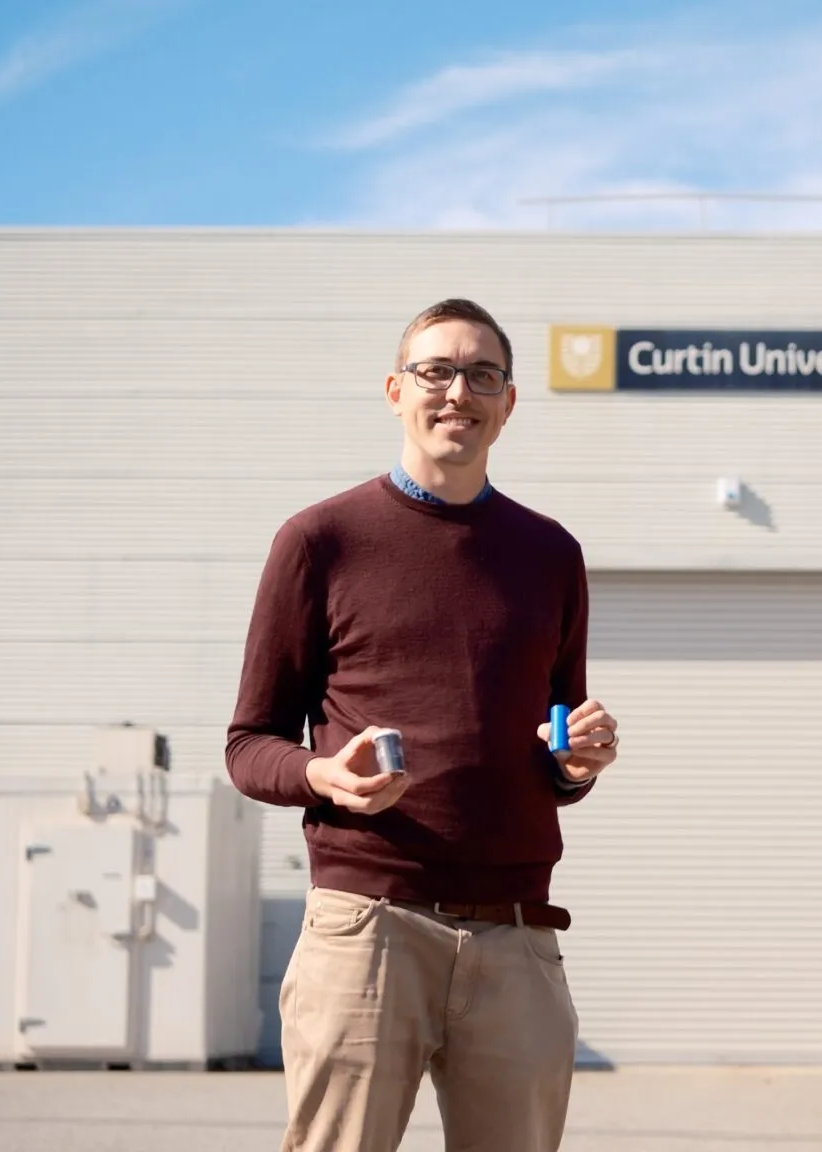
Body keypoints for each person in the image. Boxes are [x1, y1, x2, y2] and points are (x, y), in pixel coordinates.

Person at [226, 298, 620, 1152]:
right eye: (437, 370)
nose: (458, 391)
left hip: (517, 937)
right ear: (396, 391)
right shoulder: (319, 541)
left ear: (508, 404)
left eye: (483, 374)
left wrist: (577, 763)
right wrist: (321, 775)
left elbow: (554, 743)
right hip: (369, 925)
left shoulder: (551, 553)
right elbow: (248, 744)